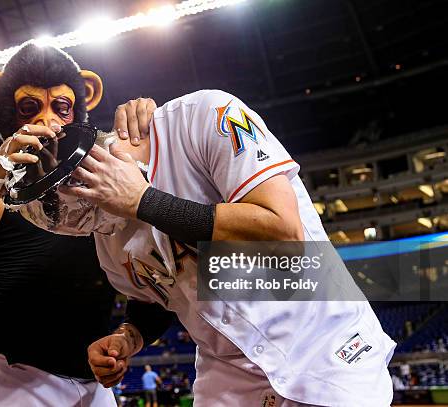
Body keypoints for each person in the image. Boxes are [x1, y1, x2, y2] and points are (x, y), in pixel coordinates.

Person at [55, 90, 396, 406]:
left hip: (323, 343)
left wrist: (144, 201)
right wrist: (128, 336)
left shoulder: (206, 115)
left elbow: (282, 233)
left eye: (59, 211)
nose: (68, 227)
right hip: (228, 375)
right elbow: (159, 299)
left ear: (80, 177)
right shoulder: (104, 230)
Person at [0, 42, 173, 407]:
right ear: (4, 107)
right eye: (30, 107)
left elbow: (158, 277)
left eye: (62, 106)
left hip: (94, 382)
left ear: (83, 100)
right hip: (9, 375)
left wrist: (126, 335)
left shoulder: (110, 174)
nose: (47, 120)